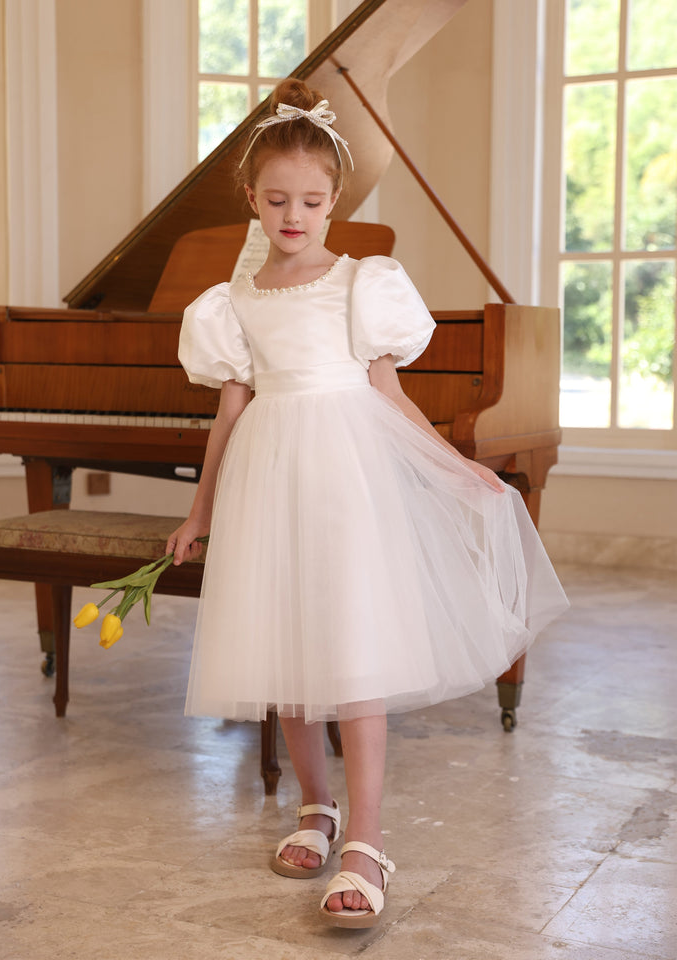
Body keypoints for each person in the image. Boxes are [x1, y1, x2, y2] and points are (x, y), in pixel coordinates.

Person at [167, 77, 568, 929]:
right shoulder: (231, 305)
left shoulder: (361, 285)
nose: (292, 214)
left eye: (310, 200)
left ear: (333, 201)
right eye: (276, 199)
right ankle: (316, 807)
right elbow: (228, 412)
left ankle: (367, 838)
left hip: (348, 480)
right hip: (265, 481)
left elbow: (389, 394)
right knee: (287, 654)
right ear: (251, 199)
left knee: (352, 652)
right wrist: (199, 512)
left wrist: (458, 467)